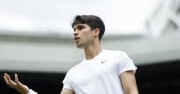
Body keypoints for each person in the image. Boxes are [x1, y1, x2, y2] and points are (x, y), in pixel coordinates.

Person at [3, 15, 139, 94]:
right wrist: (27, 92)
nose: (75, 32)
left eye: (80, 28)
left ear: (95, 32)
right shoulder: (72, 74)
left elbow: (132, 91)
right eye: (74, 29)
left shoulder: (119, 57)